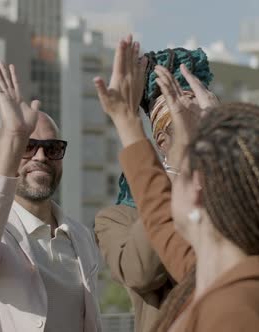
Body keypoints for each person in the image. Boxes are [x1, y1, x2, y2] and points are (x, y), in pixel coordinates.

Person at [94, 35, 259, 331]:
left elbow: (165, 225)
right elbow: (148, 262)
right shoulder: (228, 276)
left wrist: (131, 123)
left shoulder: (236, 308)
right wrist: (127, 120)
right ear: (159, 140)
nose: (193, 168)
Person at [0, 61, 101, 332]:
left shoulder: (80, 235)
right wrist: (13, 135)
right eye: (28, 147)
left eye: (52, 149)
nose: (41, 157)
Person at [94, 47, 213, 332]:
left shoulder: (231, 199)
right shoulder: (117, 218)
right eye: (188, 119)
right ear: (161, 142)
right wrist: (178, 169)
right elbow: (143, 273)